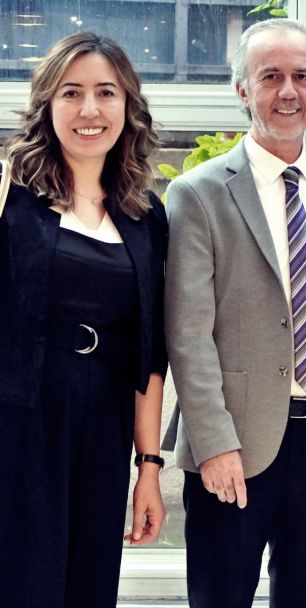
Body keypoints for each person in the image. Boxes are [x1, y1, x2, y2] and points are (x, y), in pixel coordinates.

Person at [163, 18, 306, 607]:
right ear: (242, 90)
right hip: (234, 442)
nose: (289, 91)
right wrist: (214, 443)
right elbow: (188, 334)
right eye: (271, 77)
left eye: (302, 77)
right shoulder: (199, 193)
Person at [0, 32, 167, 607]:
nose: (89, 109)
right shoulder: (10, 195)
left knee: (89, 586)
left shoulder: (145, 215)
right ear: (47, 104)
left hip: (105, 424)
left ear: (128, 105)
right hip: (19, 422)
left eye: (106, 92)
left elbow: (150, 352)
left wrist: (149, 467)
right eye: (71, 93)